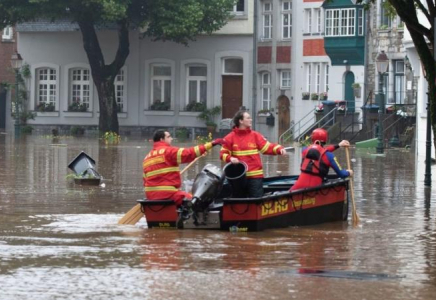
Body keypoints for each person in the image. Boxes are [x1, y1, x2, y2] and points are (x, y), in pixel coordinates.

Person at [143, 130, 223, 206]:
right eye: (169, 137)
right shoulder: (168, 151)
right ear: (161, 139)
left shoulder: (146, 158)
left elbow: (145, 180)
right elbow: (189, 153)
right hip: (167, 194)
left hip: (150, 195)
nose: (171, 138)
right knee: (195, 201)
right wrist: (211, 144)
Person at [220, 111, 286, 198]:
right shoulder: (230, 138)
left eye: (250, 118)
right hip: (239, 178)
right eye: (248, 118)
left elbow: (267, 147)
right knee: (239, 202)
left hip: (255, 177)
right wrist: (230, 158)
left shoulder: (255, 135)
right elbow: (222, 154)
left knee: (256, 201)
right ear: (241, 121)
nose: (251, 120)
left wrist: (279, 149)